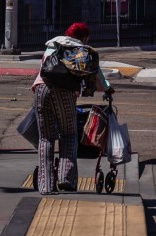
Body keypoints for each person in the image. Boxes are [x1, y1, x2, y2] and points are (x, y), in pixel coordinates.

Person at [30, 22, 114, 195]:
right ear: (83, 37)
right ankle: (65, 178)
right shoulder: (82, 50)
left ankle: (45, 186)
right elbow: (97, 77)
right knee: (68, 133)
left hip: (40, 89)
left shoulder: (52, 44)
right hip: (64, 92)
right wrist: (107, 89)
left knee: (45, 138)